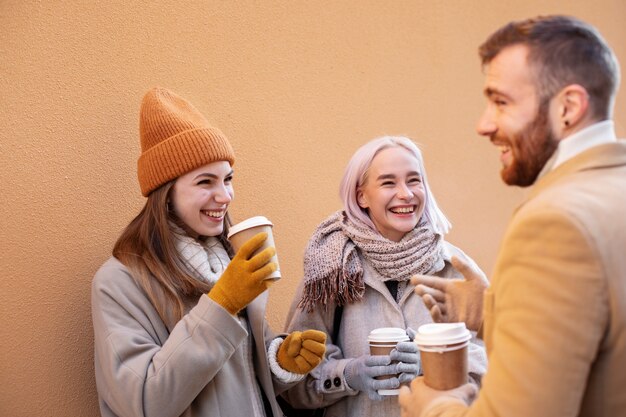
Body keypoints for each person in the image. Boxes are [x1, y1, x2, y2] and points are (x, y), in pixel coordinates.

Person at [400, 15, 626, 417]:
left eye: (501, 102)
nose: (483, 125)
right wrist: (494, 311)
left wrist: (435, 406)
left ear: (569, 108)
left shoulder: (554, 224)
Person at [91, 86, 327, 417]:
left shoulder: (228, 260)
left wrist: (279, 361)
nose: (225, 195)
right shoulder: (120, 282)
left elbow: (240, 379)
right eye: (205, 182)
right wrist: (221, 304)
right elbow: (144, 404)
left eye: (227, 179)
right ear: (166, 193)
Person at [281, 136, 487, 417]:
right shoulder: (331, 269)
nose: (406, 194)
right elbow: (293, 382)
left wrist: (434, 362)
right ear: (361, 196)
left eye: (414, 180)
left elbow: (495, 367)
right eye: (389, 183)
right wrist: (347, 375)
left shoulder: (454, 268)